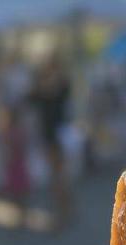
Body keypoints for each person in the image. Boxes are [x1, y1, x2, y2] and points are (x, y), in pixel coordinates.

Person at [29, 53, 72, 228]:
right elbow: (31, 98)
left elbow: (57, 92)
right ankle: (64, 208)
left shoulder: (60, 85)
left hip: (57, 135)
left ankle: (62, 210)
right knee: (57, 175)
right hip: (49, 135)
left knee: (58, 175)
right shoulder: (43, 88)